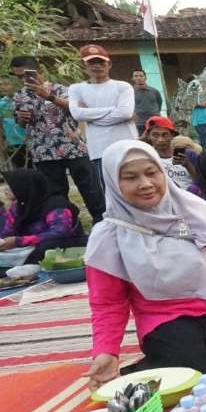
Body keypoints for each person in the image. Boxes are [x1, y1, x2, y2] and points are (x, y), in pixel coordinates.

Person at [83, 140, 206, 389]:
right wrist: (106, 352)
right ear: (113, 182)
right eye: (131, 177)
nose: (145, 184)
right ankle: (142, 370)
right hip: (164, 317)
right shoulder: (108, 237)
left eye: (151, 173)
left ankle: (179, 356)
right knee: (198, 365)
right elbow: (108, 303)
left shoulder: (193, 209)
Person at [9, 56, 105, 223]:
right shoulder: (19, 96)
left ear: (39, 72)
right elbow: (22, 124)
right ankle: (68, 227)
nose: (24, 80)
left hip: (73, 147)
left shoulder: (62, 89)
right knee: (56, 194)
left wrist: (49, 96)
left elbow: (76, 110)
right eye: (19, 77)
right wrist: (21, 119)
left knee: (91, 190)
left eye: (26, 75)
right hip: (43, 151)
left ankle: (102, 224)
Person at [67, 44, 138, 192]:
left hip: (127, 145)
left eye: (101, 62)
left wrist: (90, 115)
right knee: (110, 191)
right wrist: (114, 110)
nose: (97, 66)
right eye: (92, 62)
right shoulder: (76, 89)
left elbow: (125, 113)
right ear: (84, 65)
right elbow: (77, 114)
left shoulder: (123, 86)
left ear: (109, 64)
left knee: (134, 187)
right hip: (100, 149)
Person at [0, 169, 85, 262]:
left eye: (10, 185)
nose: (5, 189)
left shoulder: (56, 205)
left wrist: (20, 241)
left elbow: (59, 233)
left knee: (46, 247)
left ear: (24, 186)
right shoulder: (19, 206)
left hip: (63, 245)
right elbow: (7, 231)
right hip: (28, 247)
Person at [143, 116, 192, 186]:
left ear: (172, 135)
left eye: (165, 134)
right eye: (155, 135)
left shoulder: (188, 154)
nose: (160, 140)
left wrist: (187, 165)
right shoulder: (146, 158)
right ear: (148, 136)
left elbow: (201, 181)